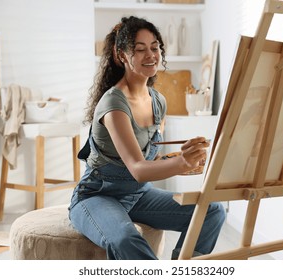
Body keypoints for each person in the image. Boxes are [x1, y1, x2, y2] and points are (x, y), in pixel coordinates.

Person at [68, 16, 225, 260]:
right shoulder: (113, 103)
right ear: (122, 55)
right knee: (125, 238)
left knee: (212, 212)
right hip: (98, 195)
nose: (151, 55)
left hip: (138, 194)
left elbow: (149, 156)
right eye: (140, 50)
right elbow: (138, 168)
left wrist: (180, 155)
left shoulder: (158, 101)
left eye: (155, 48)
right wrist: (182, 163)